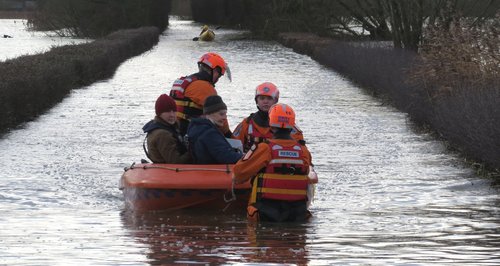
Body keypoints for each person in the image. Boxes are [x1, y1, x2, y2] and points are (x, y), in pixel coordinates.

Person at [233, 103, 314, 222]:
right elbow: (307, 172)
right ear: (292, 125)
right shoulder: (303, 151)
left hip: (266, 213)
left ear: (271, 124)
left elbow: (239, 173)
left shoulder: (264, 148)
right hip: (297, 215)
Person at [169, 52, 232, 136]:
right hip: (189, 132)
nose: (217, 80)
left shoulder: (182, 81)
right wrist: (230, 136)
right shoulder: (205, 87)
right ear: (215, 70)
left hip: (173, 130)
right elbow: (220, 115)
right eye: (219, 76)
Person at [232, 82, 304, 152]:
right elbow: (233, 144)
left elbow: (301, 148)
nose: (265, 101)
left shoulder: (286, 123)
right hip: (252, 162)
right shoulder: (247, 123)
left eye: (269, 98)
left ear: (275, 101)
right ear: (257, 101)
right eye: (262, 98)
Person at [187, 95, 243, 164]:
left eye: (225, 114)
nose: (225, 117)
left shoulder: (197, 127)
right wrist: (245, 157)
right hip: (212, 172)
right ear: (209, 114)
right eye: (221, 114)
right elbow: (226, 156)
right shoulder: (209, 133)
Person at [142, 94, 191, 164]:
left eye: (174, 111)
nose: (172, 115)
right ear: (159, 113)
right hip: (169, 172)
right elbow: (176, 162)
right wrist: (193, 150)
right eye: (168, 111)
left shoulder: (166, 126)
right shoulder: (162, 134)